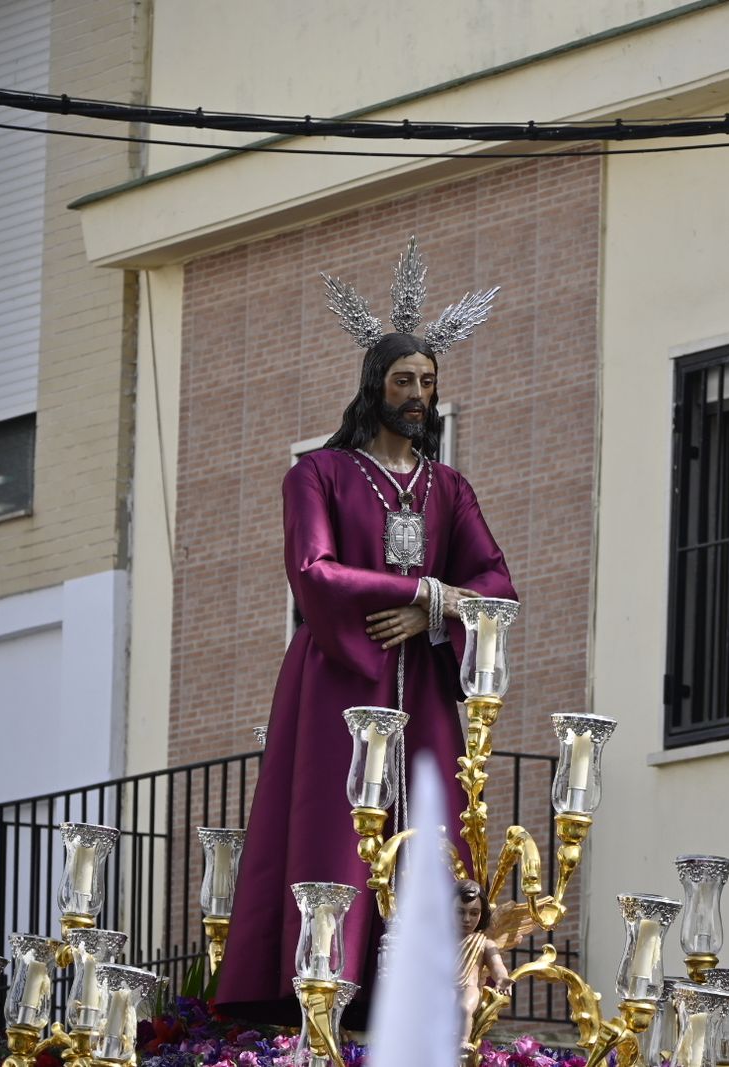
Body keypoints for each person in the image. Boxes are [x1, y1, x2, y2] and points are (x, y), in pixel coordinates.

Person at [216, 240, 517, 1025]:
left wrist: (433, 608)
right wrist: (424, 588)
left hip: (426, 688)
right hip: (340, 680)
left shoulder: (450, 487)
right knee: (333, 829)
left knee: (433, 827)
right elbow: (314, 570)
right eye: (403, 380)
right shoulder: (318, 474)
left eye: (427, 381)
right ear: (373, 386)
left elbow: (496, 584)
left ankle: (423, 984)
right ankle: (324, 988)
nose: (416, 393)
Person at [456, 879, 514, 1055]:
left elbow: (497, 965)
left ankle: (462, 1041)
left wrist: (502, 978)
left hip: (469, 987)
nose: (467, 919)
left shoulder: (485, 943)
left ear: (482, 914)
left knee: (464, 1008)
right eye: (460, 912)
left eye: (474, 913)